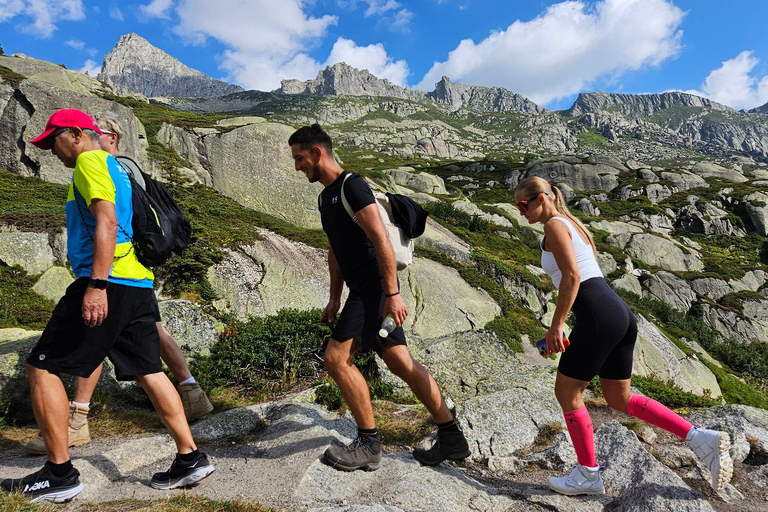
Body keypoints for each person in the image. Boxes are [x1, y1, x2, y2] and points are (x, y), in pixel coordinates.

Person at [1, 109, 215, 502]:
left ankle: (59, 475)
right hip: (137, 281)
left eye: (54, 140)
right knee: (150, 370)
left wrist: (96, 285)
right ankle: (190, 457)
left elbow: (107, 222)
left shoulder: (89, 160)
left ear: (76, 134)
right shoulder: (116, 166)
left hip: (108, 279)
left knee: (41, 367)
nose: (52, 149)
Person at [515, 175, 733, 496]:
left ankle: (588, 474)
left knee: (568, 394)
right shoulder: (573, 223)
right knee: (619, 398)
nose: (521, 211)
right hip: (618, 313)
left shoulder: (554, 226)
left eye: (523, 204)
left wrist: (557, 324)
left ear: (542, 198)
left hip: (598, 315)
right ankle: (700, 438)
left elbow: (573, 277)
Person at [289, 124, 470, 471]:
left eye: (299, 158)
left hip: (374, 289)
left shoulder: (351, 185)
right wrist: (333, 297)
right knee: (400, 362)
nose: (297, 166)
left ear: (317, 153)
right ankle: (451, 435)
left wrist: (392, 294)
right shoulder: (325, 197)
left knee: (336, 360)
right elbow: (335, 250)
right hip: (361, 290)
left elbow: (381, 240)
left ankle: (369, 444)